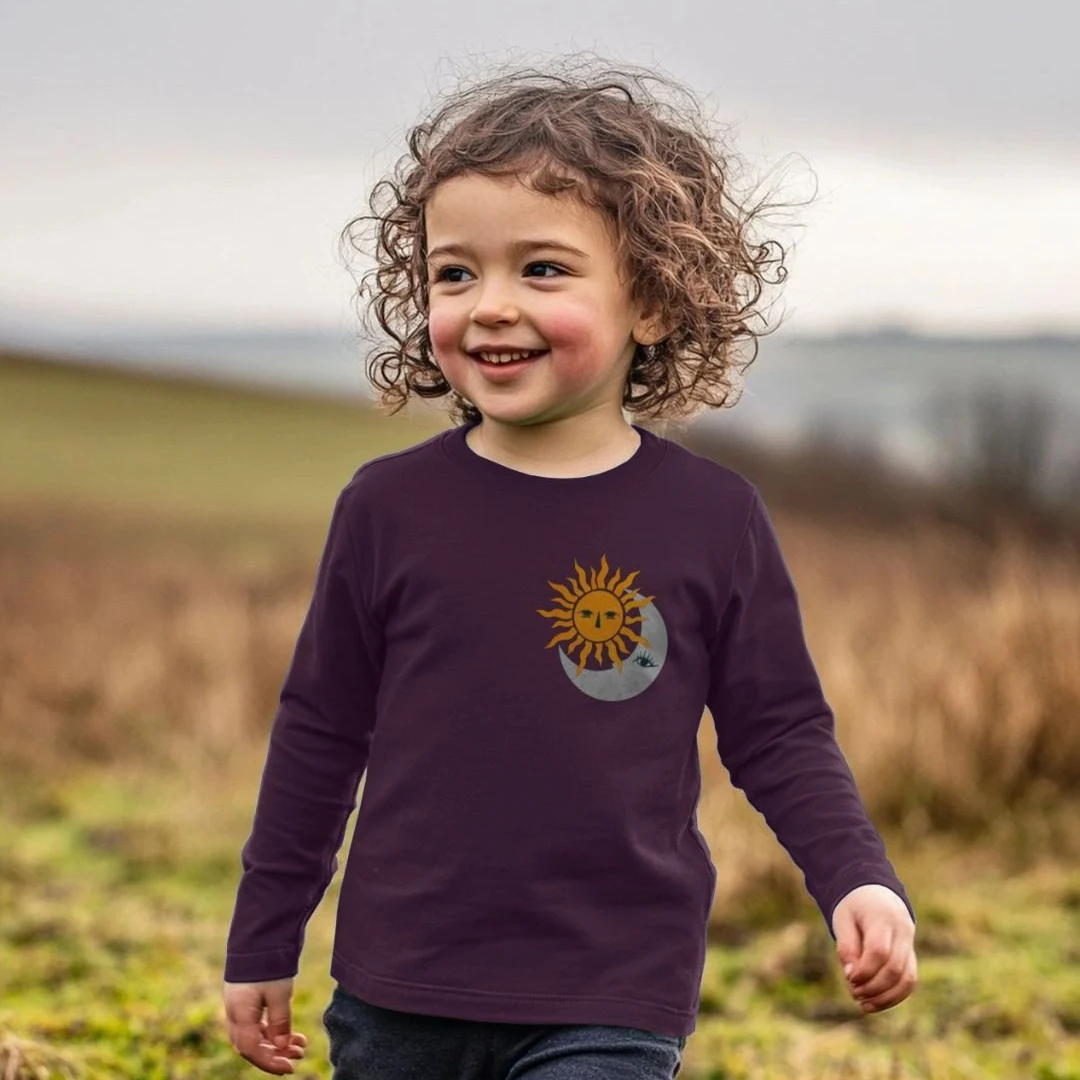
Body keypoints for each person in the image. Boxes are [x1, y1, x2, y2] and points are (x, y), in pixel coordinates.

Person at [221, 55, 918, 1079]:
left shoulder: (714, 518)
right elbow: (320, 735)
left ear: (655, 301)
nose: (490, 305)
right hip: (401, 989)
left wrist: (857, 877)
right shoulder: (386, 508)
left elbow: (778, 730)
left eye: (542, 269)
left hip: (613, 988)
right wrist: (264, 936)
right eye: (456, 273)